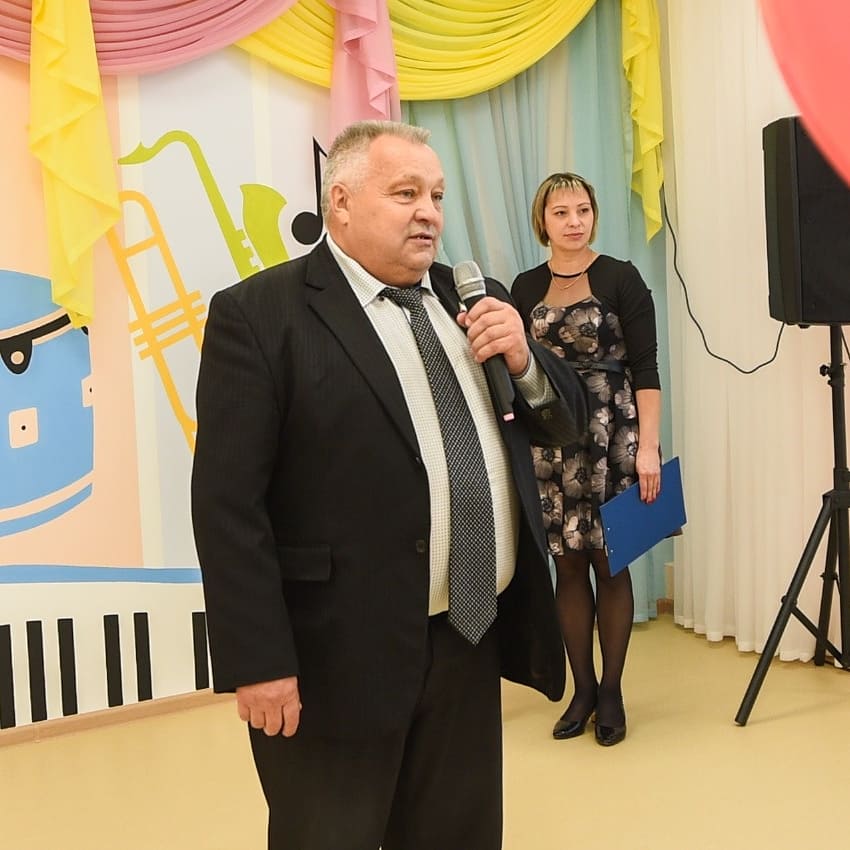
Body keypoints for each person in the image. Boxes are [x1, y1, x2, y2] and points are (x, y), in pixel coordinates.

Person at [191, 121, 589, 850]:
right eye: (405, 193)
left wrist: (526, 360)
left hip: (468, 634)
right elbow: (226, 506)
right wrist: (260, 661)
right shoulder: (260, 315)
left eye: (436, 195)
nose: (429, 212)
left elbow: (565, 423)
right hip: (334, 658)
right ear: (341, 203)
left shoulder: (472, 299)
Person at [512, 172, 662, 747]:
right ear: (542, 222)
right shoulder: (524, 286)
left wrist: (649, 448)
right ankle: (582, 689)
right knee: (567, 565)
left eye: (582, 210)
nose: (574, 221)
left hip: (614, 437)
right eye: (561, 213)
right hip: (550, 440)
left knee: (610, 563)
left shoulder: (622, 277)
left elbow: (646, 369)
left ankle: (613, 692)